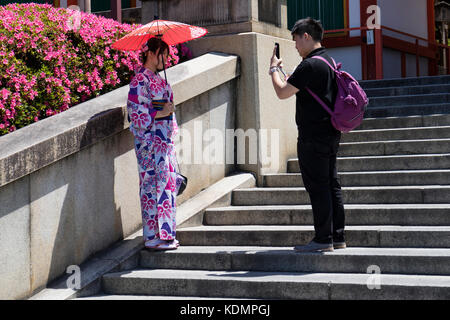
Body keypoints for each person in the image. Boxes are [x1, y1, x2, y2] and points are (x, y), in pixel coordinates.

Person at [269, 17, 346, 253]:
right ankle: (337, 237)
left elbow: (282, 92)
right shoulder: (328, 61)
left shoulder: (309, 65)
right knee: (331, 183)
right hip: (331, 132)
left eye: (295, 41)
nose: (294, 46)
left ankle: (323, 239)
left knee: (318, 186)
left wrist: (273, 69)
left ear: (306, 36)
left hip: (313, 135)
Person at [127, 37, 180, 251]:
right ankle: (151, 236)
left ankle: (166, 234)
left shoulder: (163, 82)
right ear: (151, 53)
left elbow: (169, 113)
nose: (166, 59)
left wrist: (168, 109)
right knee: (150, 187)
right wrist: (160, 112)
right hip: (148, 143)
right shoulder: (139, 81)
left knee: (167, 186)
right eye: (163, 55)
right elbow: (135, 113)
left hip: (164, 142)